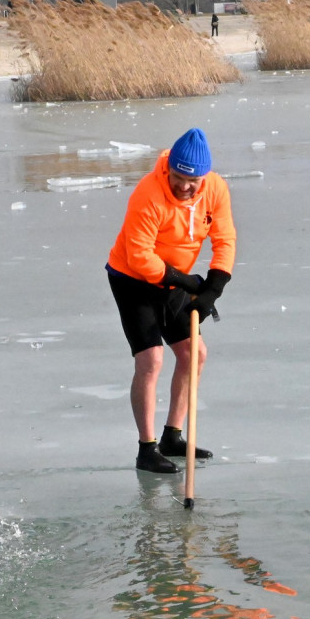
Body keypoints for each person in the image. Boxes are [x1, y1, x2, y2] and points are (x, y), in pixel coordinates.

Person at [106, 128, 237, 473]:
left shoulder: (216, 190)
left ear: (204, 177)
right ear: (168, 171)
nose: (183, 186)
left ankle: (172, 437)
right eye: (177, 177)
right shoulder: (148, 193)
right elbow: (139, 257)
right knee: (151, 359)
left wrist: (213, 288)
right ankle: (147, 448)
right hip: (131, 278)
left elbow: (224, 239)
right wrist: (186, 281)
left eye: (191, 180)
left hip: (171, 277)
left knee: (195, 353)